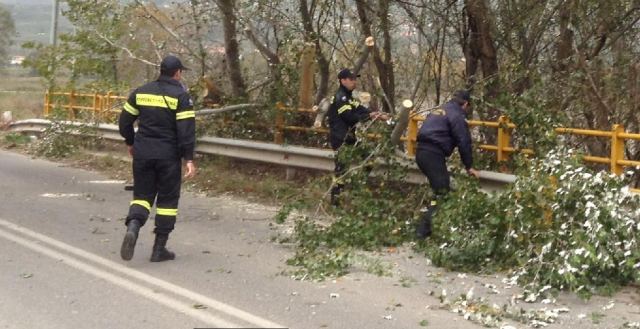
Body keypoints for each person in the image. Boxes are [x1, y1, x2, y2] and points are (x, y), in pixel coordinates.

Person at [118, 55, 197, 262]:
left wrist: (130, 141)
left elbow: (124, 121)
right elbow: (186, 131)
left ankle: (133, 226)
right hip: (168, 156)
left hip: (143, 154)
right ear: (178, 73)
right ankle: (159, 249)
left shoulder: (141, 91)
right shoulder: (181, 96)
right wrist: (188, 159)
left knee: (142, 197)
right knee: (167, 202)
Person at [415, 90, 479, 239]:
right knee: (442, 192)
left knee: (439, 191)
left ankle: (428, 228)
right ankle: (422, 232)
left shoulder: (440, 109)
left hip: (422, 153)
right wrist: (469, 166)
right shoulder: (457, 115)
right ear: (466, 104)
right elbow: (464, 142)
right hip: (433, 155)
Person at [327, 68, 389, 206]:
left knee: (368, 159)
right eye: (351, 79)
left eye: (355, 79)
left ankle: (357, 187)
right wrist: (368, 116)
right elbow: (349, 117)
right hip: (340, 139)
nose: (354, 81)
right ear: (343, 81)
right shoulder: (340, 98)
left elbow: (360, 108)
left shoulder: (349, 97)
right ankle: (335, 201)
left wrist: (377, 114)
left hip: (350, 138)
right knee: (341, 170)